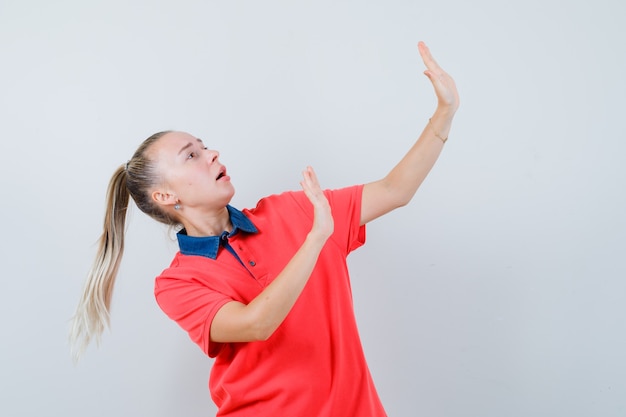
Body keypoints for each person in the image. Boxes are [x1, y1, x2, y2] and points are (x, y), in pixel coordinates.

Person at [70, 41, 459, 416]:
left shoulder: (290, 210)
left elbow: (395, 190)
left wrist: (445, 110)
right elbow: (257, 323)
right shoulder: (178, 284)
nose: (211, 154)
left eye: (204, 146)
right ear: (165, 196)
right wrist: (316, 239)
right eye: (191, 155)